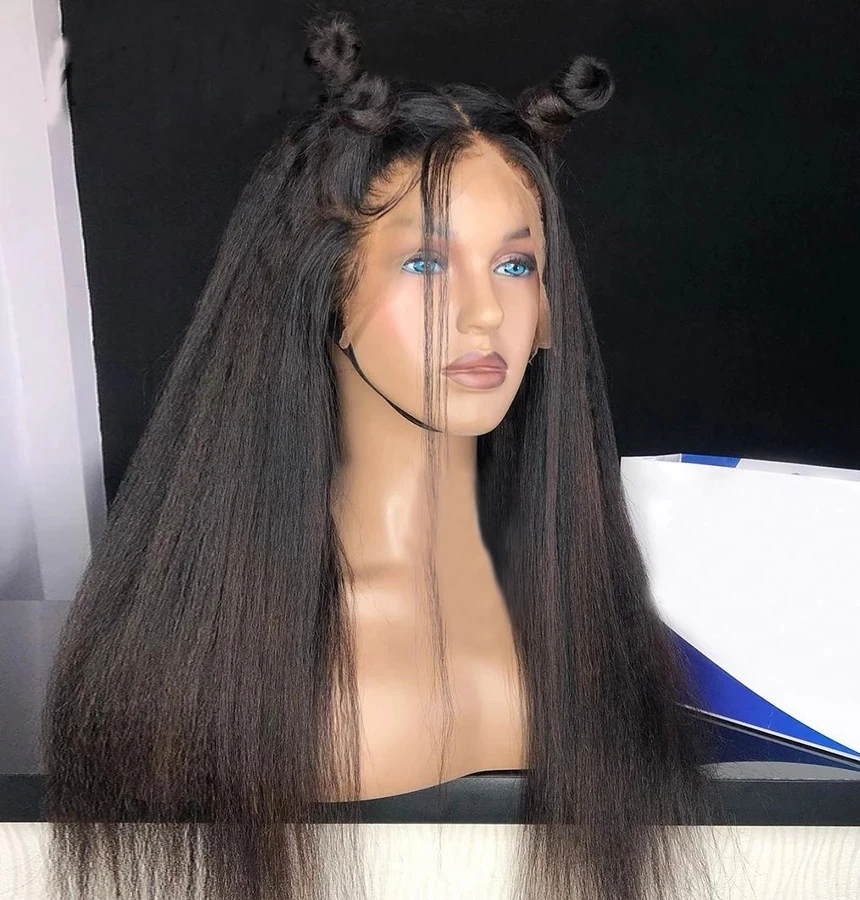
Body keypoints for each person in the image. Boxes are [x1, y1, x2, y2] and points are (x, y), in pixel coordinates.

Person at [39, 9, 722, 900]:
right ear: (325, 288)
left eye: (516, 267)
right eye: (428, 266)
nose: (485, 313)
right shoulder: (237, 655)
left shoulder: (588, 611)